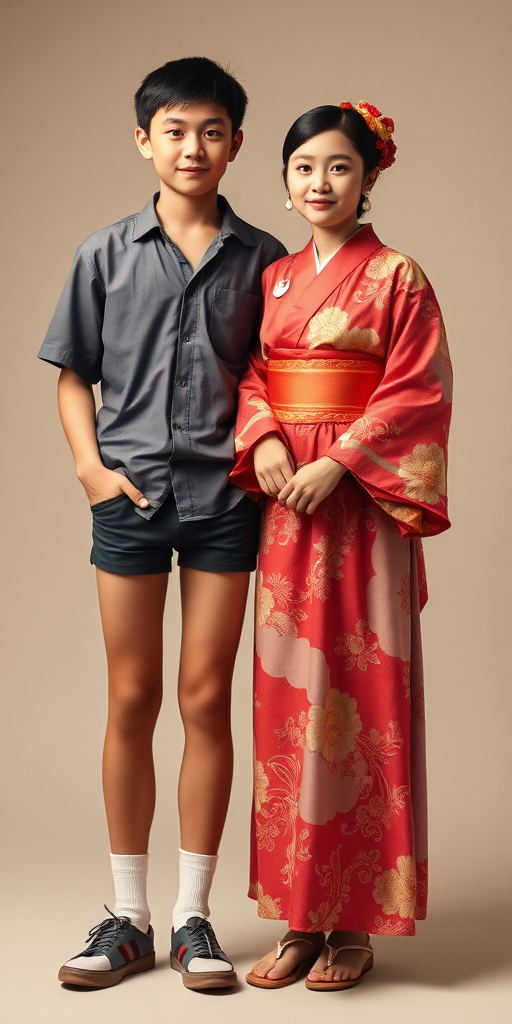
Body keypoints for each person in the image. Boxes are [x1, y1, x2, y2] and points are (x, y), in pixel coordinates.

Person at [38, 56, 286, 991]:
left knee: (204, 701)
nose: (193, 147)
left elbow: (277, 377)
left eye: (212, 131)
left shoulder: (264, 260)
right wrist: (90, 469)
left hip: (225, 505)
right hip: (130, 502)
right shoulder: (102, 253)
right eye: (175, 130)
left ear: (236, 146)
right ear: (144, 140)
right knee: (132, 699)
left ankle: (192, 920)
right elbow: (72, 372)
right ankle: (127, 917)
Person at [230, 101, 452, 991]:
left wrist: (347, 460)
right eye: (304, 168)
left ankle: (356, 922)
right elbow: (254, 371)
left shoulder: (399, 276)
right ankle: (299, 916)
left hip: (362, 504)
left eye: (338, 168)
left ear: (368, 179)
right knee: (289, 700)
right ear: (284, 184)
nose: (319, 183)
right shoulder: (277, 279)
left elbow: (419, 389)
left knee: (363, 697)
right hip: (290, 502)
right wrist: (268, 439)